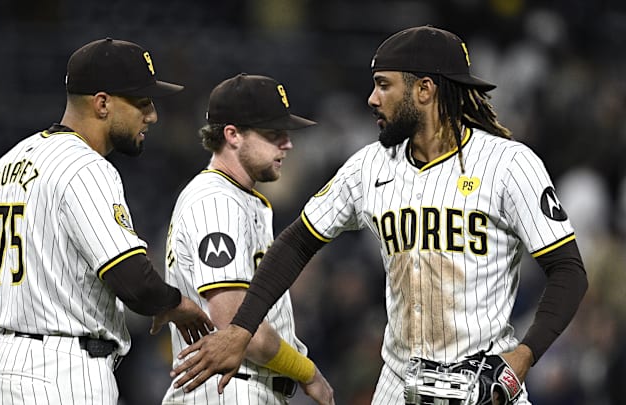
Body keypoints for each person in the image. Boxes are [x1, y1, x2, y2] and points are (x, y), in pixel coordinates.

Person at [169, 26, 589, 404]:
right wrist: (242, 329)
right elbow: (297, 241)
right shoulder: (370, 165)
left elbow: (568, 270)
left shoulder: (508, 164)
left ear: (424, 90)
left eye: (384, 85)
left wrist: (524, 356)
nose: (372, 98)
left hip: (485, 383)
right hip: (398, 385)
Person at [0, 37, 214, 405]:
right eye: (141, 102)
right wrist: (177, 304)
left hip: (1, 366)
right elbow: (134, 281)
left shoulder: (6, 165)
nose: (152, 115)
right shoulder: (86, 167)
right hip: (62, 371)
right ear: (102, 103)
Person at [162, 73, 334, 405]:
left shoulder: (236, 199)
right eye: (273, 134)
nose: (287, 143)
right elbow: (235, 324)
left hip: (241, 386)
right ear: (233, 134)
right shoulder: (216, 202)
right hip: (230, 386)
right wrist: (307, 371)